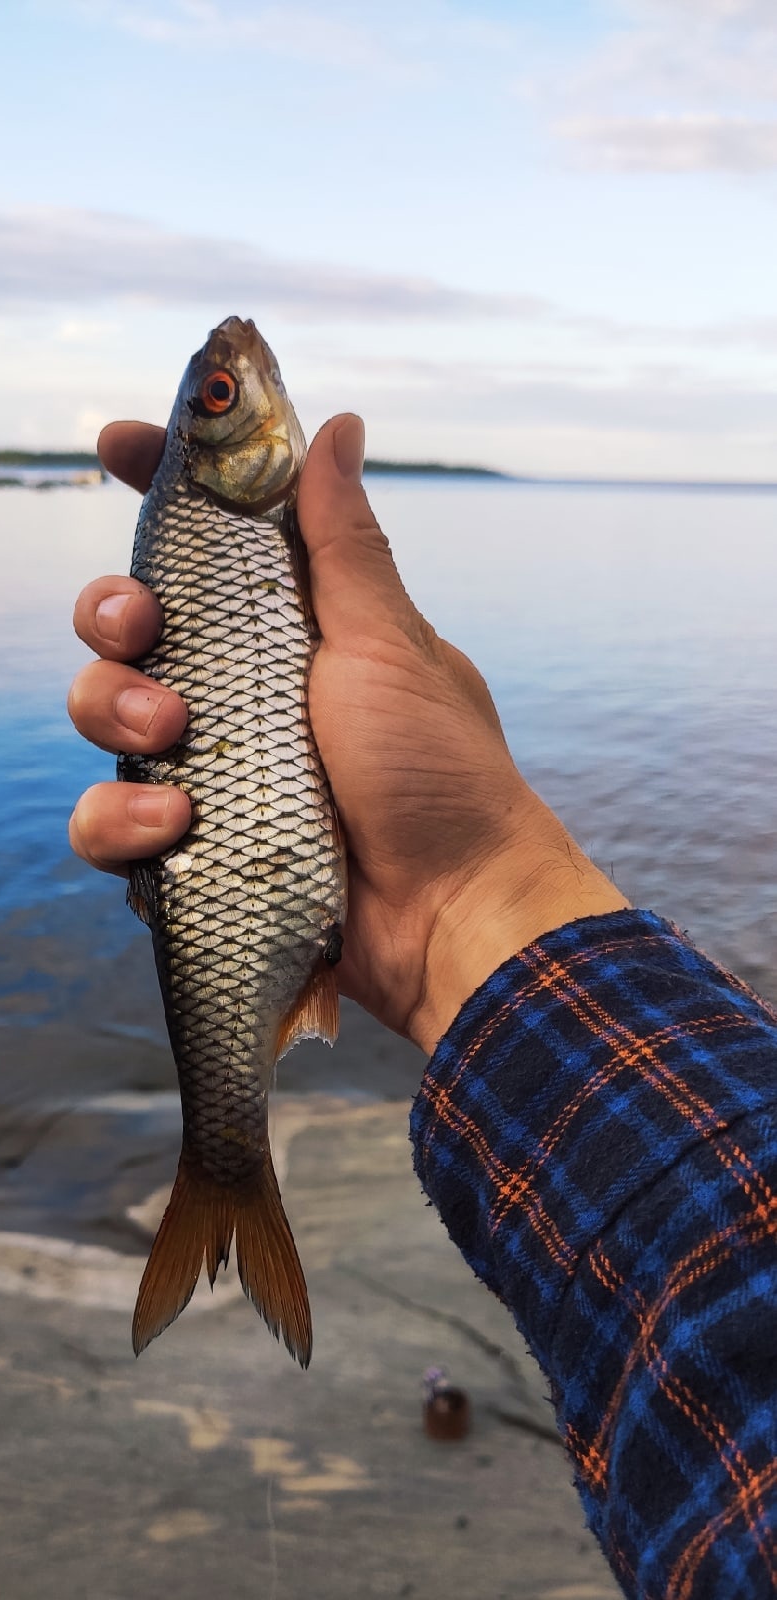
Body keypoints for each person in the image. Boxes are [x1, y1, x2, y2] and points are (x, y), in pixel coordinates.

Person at [67, 413, 777, 1600]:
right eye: (226, 401)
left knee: (157, 789)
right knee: (152, 777)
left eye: (222, 392)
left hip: (336, 892)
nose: (243, 393)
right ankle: (222, 1164)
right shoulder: (199, 531)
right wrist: (478, 895)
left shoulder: (237, 527)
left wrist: (470, 891)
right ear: (217, 456)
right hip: (321, 889)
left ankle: (220, 1167)